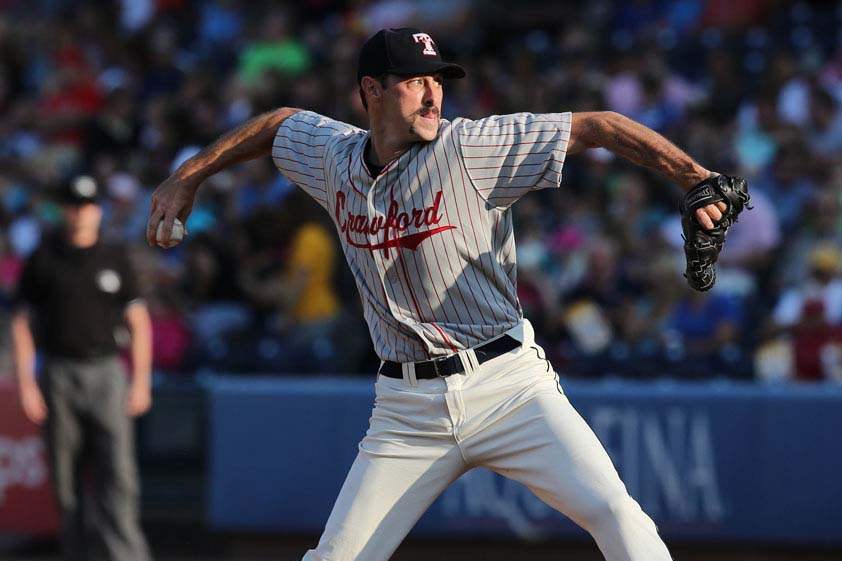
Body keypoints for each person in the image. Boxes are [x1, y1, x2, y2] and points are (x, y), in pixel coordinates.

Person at [148, 28, 730, 561]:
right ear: (372, 91)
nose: (433, 96)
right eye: (415, 81)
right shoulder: (333, 157)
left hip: (508, 386)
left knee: (616, 513)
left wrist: (695, 176)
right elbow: (278, 125)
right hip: (406, 410)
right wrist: (188, 175)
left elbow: (597, 125)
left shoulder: (470, 147)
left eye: (438, 81)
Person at [12, 175, 153, 561]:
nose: (80, 213)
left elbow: (138, 322)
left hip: (106, 370)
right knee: (65, 479)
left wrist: (141, 381)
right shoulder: (43, 258)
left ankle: (126, 555)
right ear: (64, 210)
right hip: (59, 371)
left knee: (118, 474)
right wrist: (26, 383)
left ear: (99, 210)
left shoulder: (115, 257)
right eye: (74, 205)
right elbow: (22, 322)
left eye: (87, 205)